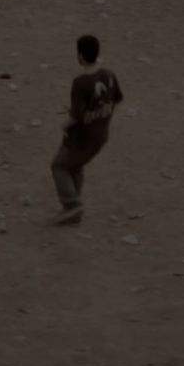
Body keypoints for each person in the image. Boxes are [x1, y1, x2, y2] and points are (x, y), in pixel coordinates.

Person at [50, 34, 124, 226]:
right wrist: (101, 116)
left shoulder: (80, 82)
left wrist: (63, 124)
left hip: (80, 139)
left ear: (81, 56)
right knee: (76, 165)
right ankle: (74, 210)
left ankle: (72, 204)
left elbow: (76, 116)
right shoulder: (109, 74)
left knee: (59, 165)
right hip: (100, 136)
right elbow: (117, 99)